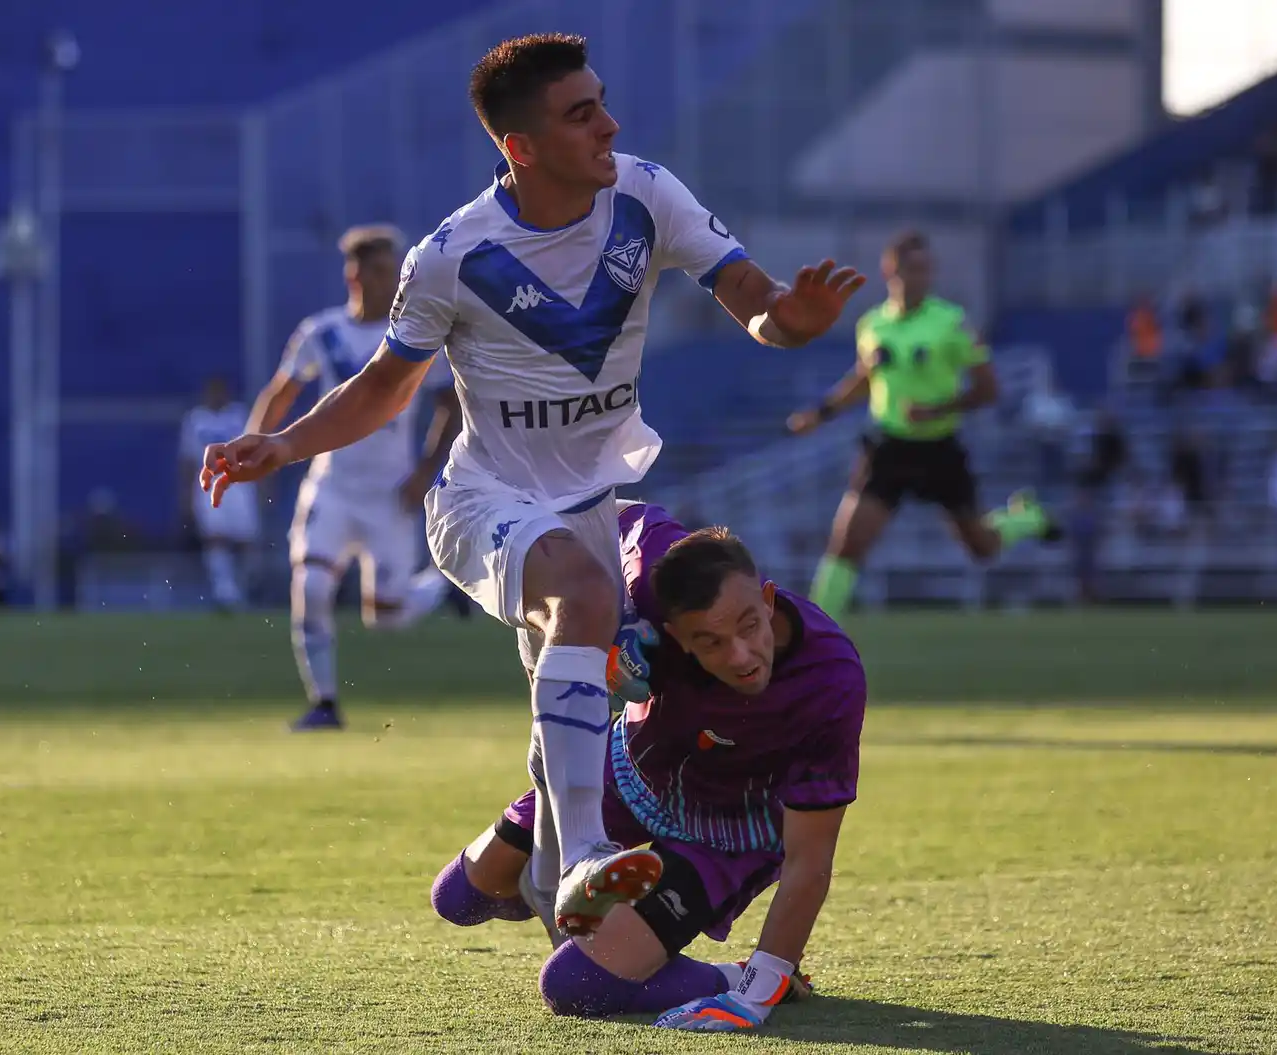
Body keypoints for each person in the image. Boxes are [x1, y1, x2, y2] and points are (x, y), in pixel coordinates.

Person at [200, 33, 865, 936]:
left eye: (602, 102)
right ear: (520, 144)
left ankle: (520, 883)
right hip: (482, 502)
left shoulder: (647, 194)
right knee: (588, 606)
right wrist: (280, 444)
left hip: (590, 506)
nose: (609, 124)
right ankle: (588, 852)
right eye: (581, 112)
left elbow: (754, 298)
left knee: (573, 728)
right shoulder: (451, 256)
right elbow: (385, 389)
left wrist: (792, 320)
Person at [430, 501, 863, 1032]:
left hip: (727, 833)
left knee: (573, 986)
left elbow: (810, 858)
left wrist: (755, 997)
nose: (743, 655)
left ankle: (735, 976)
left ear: (768, 599)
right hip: (628, 770)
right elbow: (605, 509)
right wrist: (620, 617)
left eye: (752, 626)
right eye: (711, 642)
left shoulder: (830, 679)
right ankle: (614, 912)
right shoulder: (653, 566)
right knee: (460, 897)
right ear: (678, 634)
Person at [243, 225, 461, 731]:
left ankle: (445, 590)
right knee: (312, 585)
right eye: (383, 270)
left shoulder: (413, 336)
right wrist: (256, 443)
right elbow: (281, 392)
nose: (394, 280)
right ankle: (324, 703)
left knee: (386, 617)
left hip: (390, 492)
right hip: (333, 487)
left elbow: (451, 404)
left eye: (396, 269)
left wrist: (427, 470)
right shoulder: (322, 333)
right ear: (354, 274)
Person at [786, 230, 1058, 623]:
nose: (922, 277)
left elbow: (988, 389)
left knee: (980, 546)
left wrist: (938, 409)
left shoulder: (951, 323)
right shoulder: (872, 324)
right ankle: (814, 635)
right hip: (887, 446)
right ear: (889, 270)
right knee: (846, 545)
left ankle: (1027, 517)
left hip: (939, 447)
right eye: (913, 269)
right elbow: (864, 379)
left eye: (927, 269)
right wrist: (822, 411)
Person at [180, 376, 256, 611]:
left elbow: (255, 450)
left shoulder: (240, 416)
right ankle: (224, 591)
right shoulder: (195, 420)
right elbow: (187, 460)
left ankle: (243, 589)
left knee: (245, 540)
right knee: (215, 536)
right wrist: (185, 496)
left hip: (239, 482)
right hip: (208, 482)